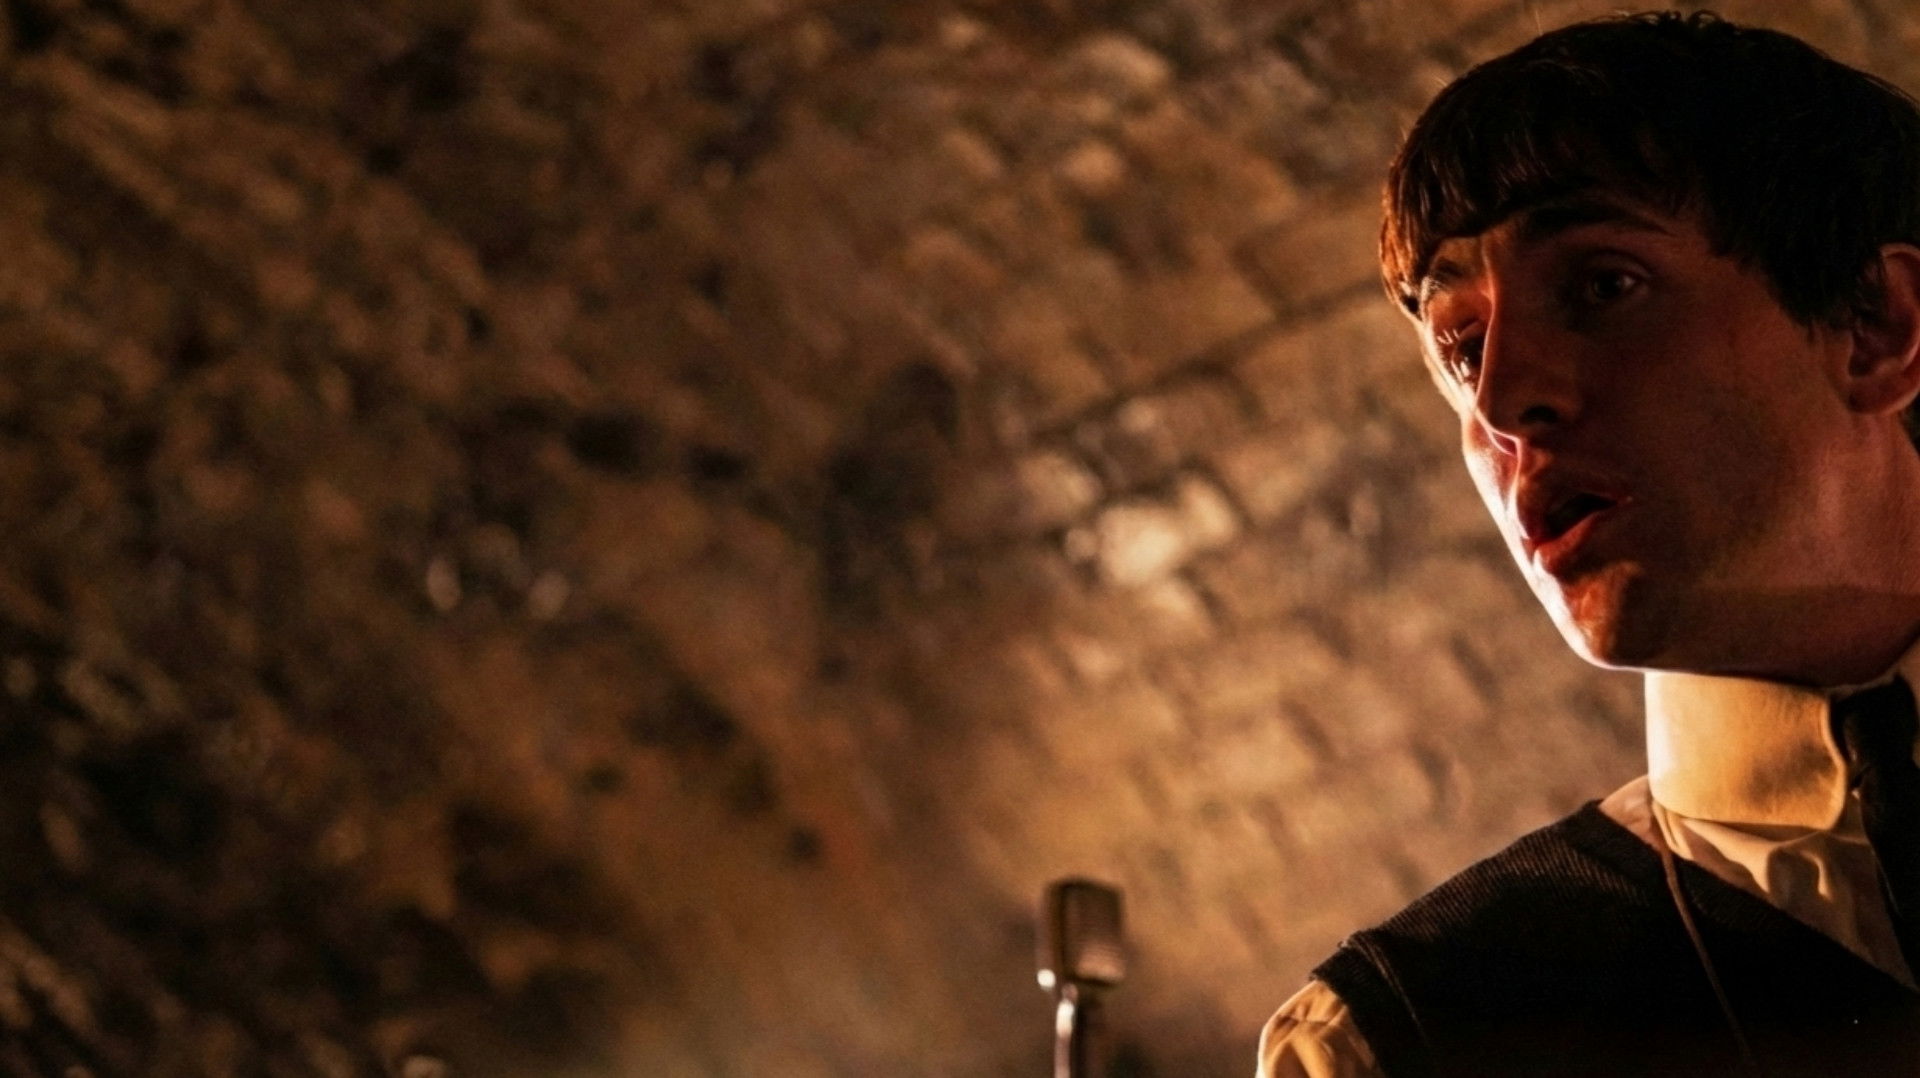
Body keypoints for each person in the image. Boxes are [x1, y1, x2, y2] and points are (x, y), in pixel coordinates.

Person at [1258, 11, 1920, 1076]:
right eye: (1462, 348)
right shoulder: (1402, 1039)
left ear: (1873, 324)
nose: (1502, 401)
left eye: (1604, 286)